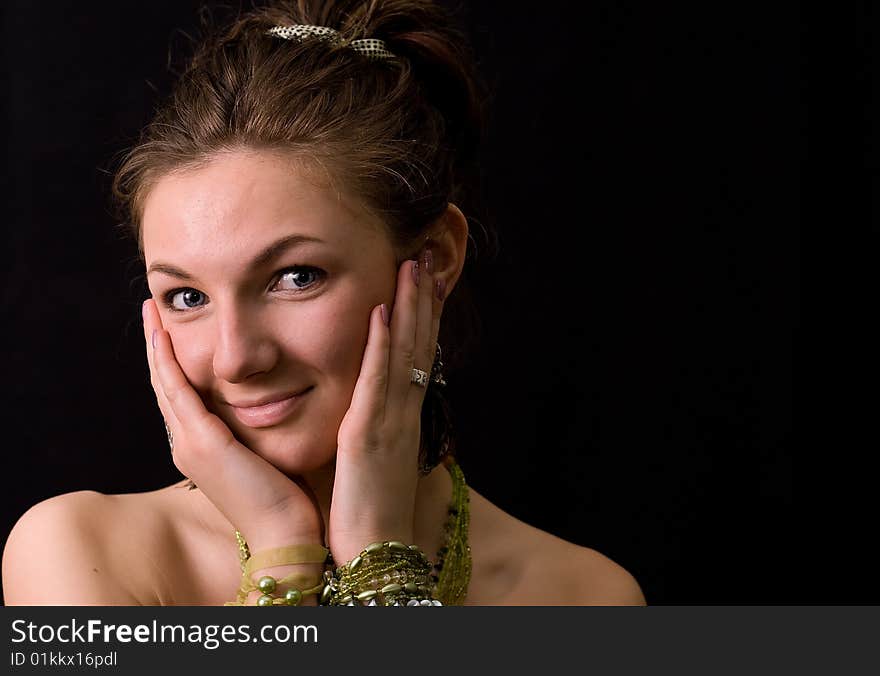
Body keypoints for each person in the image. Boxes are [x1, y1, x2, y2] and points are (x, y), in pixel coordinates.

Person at [2, 0, 645, 606]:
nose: (235, 359)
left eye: (295, 277)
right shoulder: (78, 552)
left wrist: (377, 556)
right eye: (187, 296)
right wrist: (283, 552)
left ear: (437, 256)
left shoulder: (582, 597)